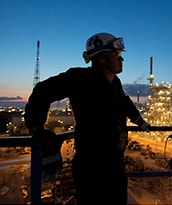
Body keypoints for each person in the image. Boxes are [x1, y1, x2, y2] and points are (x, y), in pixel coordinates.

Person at [24, 32, 150, 204]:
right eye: (117, 55)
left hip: (114, 163)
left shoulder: (115, 83)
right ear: (102, 59)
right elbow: (42, 91)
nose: (122, 59)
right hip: (92, 166)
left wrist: (139, 121)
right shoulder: (79, 79)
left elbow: (124, 102)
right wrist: (37, 128)